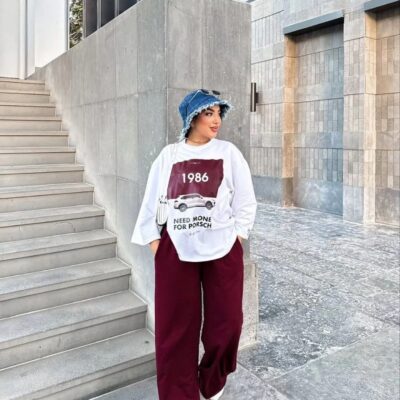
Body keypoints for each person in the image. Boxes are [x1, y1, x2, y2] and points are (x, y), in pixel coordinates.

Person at [131, 89, 257, 400]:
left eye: (218, 114)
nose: (216, 120)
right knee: (175, 329)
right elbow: (151, 202)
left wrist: (238, 237)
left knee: (228, 323)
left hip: (223, 249)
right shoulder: (169, 155)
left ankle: (211, 380)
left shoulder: (228, 153)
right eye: (208, 113)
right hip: (176, 250)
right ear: (192, 118)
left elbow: (245, 201)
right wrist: (157, 244)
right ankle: (178, 394)